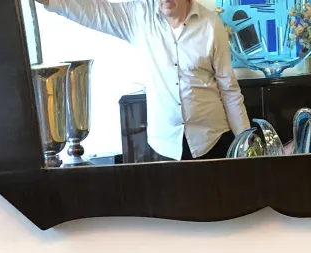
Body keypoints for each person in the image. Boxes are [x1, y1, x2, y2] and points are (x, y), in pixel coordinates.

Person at [39, 0, 251, 160]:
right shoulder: (139, 16)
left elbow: (229, 90)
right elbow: (94, 11)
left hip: (212, 141)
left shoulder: (211, 25)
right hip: (164, 148)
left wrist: (245, 143)